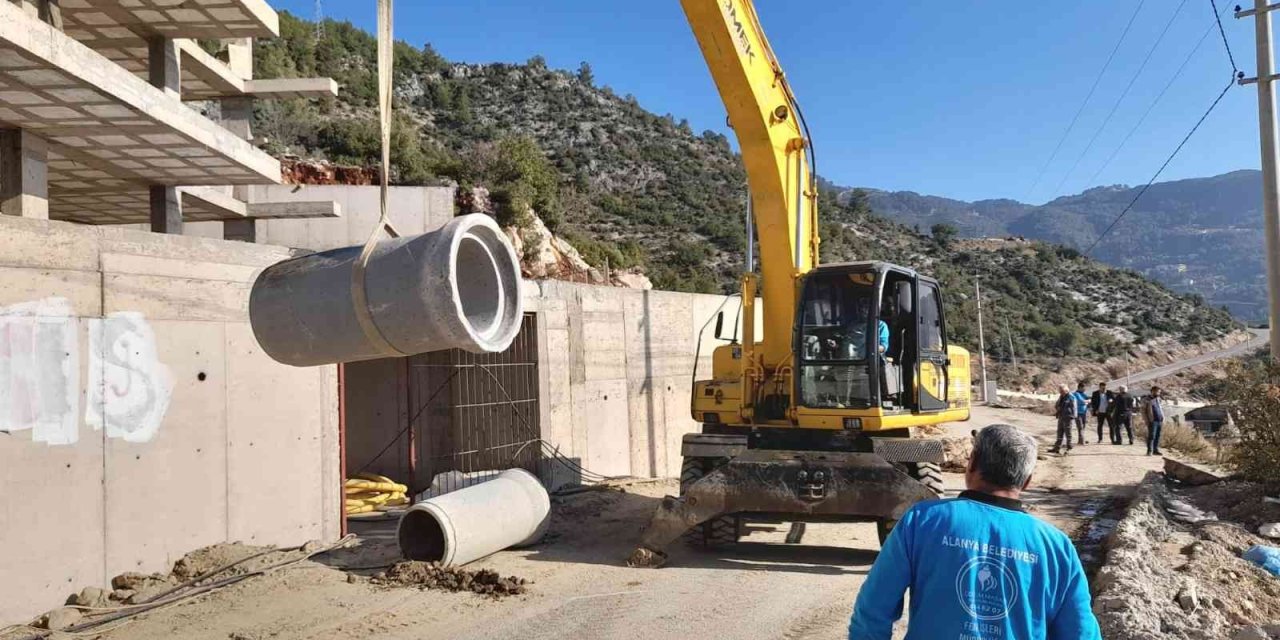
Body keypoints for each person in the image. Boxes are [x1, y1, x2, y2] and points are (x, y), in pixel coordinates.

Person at [848, 424, 1101, 639]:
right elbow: (1080, 631)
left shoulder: (922, 520)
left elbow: (872, 611)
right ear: (1026, 481)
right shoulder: (1056, 547)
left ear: (972, 464)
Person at [1049, 385, 1076, 455]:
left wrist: (1073, 416)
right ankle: (1057, 448)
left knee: (1068, 434)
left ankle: (1069, 448)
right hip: (1061, 416)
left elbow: (1074, 408)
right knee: (1059, 433)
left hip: (1068, 417)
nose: (1061, 392)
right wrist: (1058, 408)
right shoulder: (1061, 396)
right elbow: (1056, 405)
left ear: (1066, 391)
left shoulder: (1071, 397)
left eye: (1062, 391)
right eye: (1060, 391)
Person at [1142, 386, 1166, 456]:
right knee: (1152, 436)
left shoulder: (1158, 399)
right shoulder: (1146, 399)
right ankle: (1149, 451)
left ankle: (1155, 450)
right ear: (1152, 391)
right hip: (1152, 421)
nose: (1159, 393)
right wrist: (1147, 420)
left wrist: (1163, 417)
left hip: (1159, 420)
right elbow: (1143, 411)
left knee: (1158, 436)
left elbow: (1160, 409)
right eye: (1157, 392)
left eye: (1159, 392)